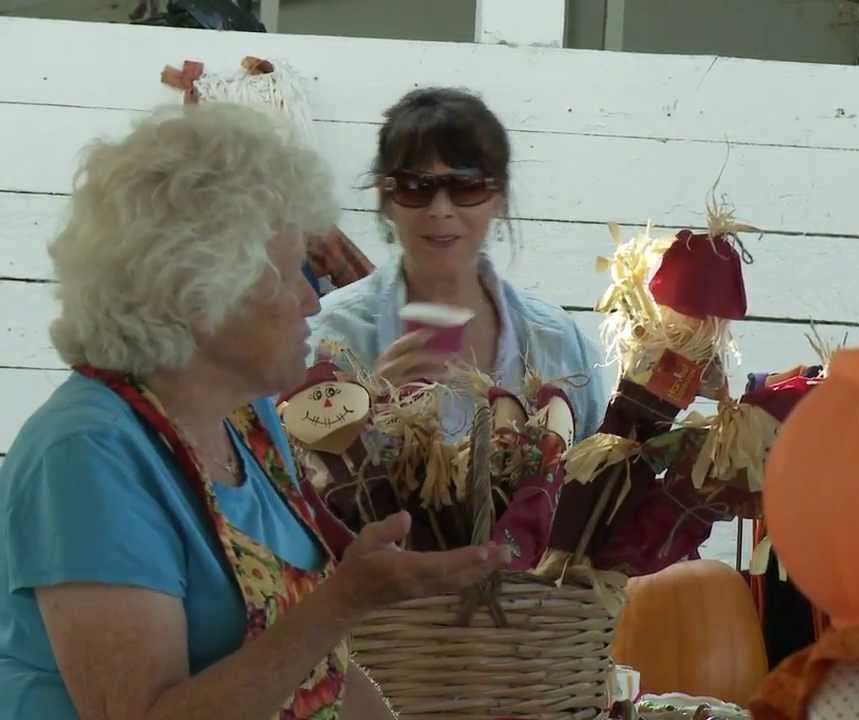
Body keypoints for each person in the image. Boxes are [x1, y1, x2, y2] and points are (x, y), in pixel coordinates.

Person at [0, 103, 509, 720]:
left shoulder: (249, 421)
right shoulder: (85, 453)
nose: (309, 301)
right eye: (292, 272)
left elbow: (320, 675)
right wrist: (344, 602)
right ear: (199, 291)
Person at [309, 88, 610, 441]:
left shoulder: (557, 341)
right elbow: (293, 482)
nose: (440, 210)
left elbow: (592, 477)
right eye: (415, 187)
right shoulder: (331, 337)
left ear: (499, 198)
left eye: (466, 186)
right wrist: (371, 418)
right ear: (385, 198)